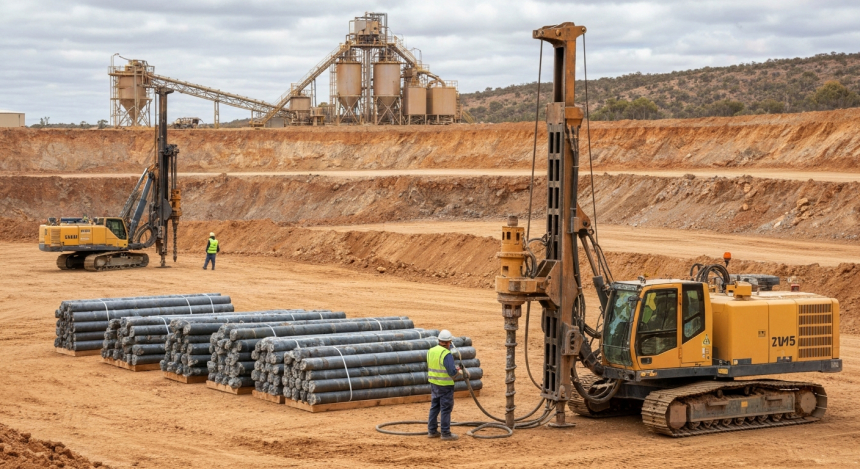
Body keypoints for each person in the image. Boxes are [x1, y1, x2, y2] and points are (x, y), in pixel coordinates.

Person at [427, 329, 461, 441]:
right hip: (445, 385)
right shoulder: (446, 354)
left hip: (434, 383)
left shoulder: (431, 350)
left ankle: (432, 431)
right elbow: (451, 372)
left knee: (435, 407)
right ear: (448, 342)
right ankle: (445, 433)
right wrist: (458, 371)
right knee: (446, 408)